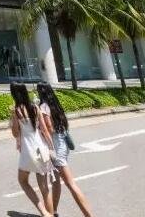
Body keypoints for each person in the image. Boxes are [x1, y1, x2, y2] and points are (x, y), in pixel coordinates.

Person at [37, 82, 96, 217]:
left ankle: (89, 215)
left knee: (70, 184)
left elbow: (49, 128)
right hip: (62, 143)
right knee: (56, 181)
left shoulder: (44, 107)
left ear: (41, 93)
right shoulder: (55, 105)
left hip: (56, 147)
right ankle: (53, 211)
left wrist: (41, 131)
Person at [9, 82, 54, 217]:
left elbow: (15, 134)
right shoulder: (35, 107)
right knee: (45, 188)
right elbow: (44, 130)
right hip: (41, 148)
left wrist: (13, 116)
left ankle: (44, 212)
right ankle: (50, 214)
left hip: (28, 152)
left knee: (23, 181)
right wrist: (51, 148)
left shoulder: (16, 111)